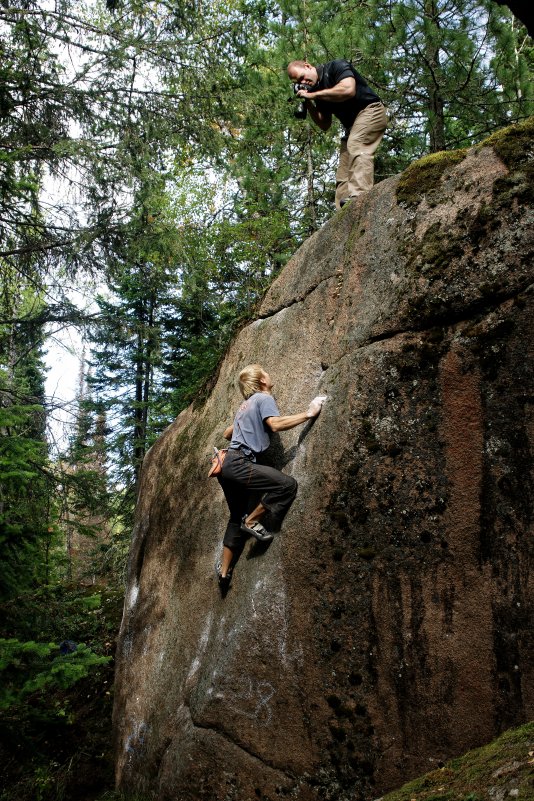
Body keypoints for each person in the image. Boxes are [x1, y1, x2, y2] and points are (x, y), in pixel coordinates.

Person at [216, 364, 326, 592]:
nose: (269, 373)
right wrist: (309, 413)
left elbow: (227, 434)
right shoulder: (264, 398)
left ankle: (224, 572)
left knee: (235, 516)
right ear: (262, 381)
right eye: (265, 371)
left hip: (226, 466)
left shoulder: (244, 405)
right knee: (287, 485)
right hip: (240, 463)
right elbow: (274, 424)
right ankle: (252, 521)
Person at [287, 58, 387, 210]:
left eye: (302, 77)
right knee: (343, 173)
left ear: (307, 66)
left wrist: (314, 95)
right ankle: (342, 216)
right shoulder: (316, 90)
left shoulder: (335, 66)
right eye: (298, 82)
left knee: (357, 145)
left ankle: (360, 200)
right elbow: (324, 124)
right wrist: (308, 102)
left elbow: (348, 89)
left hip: (371, 110)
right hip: (352, 126)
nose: (303, 82)